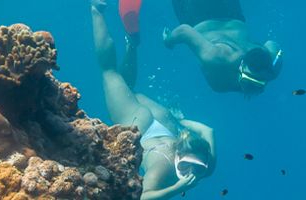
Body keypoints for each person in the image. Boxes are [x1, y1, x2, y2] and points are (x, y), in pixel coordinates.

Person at [90, 1, 216, 199]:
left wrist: (182, 123)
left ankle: (132, 44)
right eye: (185, 165)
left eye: (197, 168)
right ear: (177, 156)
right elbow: (144, 197)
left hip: (165, 122)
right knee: (109, 71)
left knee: (128, 89)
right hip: (138, 127)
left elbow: (208, 131)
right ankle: (96, 10)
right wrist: (176, 188)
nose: (190, 172)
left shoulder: (207, 166)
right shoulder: (164, 168)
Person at [164, 0, 284, 95]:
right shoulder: (217, 56)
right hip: (197, 14)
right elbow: (184, 31)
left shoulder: (272, 69)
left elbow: (272, 44)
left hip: (233, 14)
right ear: (241, 66)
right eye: (248, 80)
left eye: (261, 84)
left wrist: (269, 56)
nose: (252, 89)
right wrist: (168, 40)